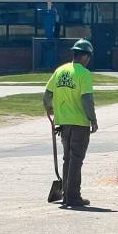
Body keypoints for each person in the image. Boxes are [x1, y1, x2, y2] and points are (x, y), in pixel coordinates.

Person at [43, 39, 98, 206]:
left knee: (68, 159)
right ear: (86, 57)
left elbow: (47, 95)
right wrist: (93, 119)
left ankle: (68, 193)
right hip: (80, 123)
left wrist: (50, 109)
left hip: (63, 123)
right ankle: (73, 196)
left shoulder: (59, 71)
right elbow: (87, 99)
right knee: (76, 160)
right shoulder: (84, 74)